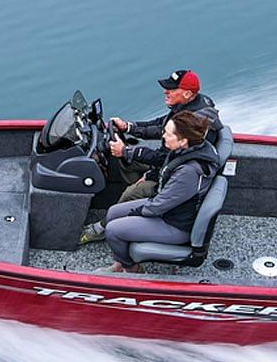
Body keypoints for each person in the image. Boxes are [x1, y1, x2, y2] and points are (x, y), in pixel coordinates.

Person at [80, 109, 222, 271]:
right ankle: (119, 262)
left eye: (168, 134)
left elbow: (159, 206)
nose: (163, 137)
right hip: (170, 209)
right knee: (113, 212)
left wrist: (136, 212)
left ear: (183, 141)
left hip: (175, 224)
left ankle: (131, 268)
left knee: (113, 230)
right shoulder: (184, 150)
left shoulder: (188, 172)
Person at [106, 69, 219, 202]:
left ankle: (109, 222)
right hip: (169, 164)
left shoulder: (190, 125)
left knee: (130, 193)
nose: (165, 91)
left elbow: (165, 159)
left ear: (187, 93)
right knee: (127, 163)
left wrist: (127, 152)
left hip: (174, 174)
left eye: (171, 89)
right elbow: (161, 124)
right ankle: (138, 201)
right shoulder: (186, 108)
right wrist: (128, 127)